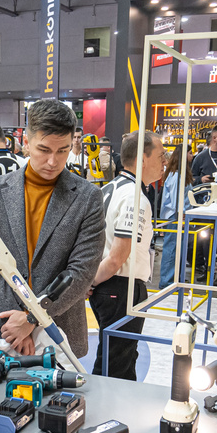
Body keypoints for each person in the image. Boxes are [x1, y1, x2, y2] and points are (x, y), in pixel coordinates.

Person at [0, 100, 104, 357]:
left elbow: (81, 271)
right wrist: (15, 324)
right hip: (6, 332)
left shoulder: (88, 197)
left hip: (61, 335)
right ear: (26, 141)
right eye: (44, 149)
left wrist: (32, 318)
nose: (53, 161)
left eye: (62, 151)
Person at [89, 130, 163, 379]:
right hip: (121, 288)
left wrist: (90, 280)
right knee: (114, 366)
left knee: (123, 357)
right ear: (142, 159)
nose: (164, 162)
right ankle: (102, 403)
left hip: (108, 286)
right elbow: (116, 258)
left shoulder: (108, 189)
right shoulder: (135, 197)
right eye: (160, 156)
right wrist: (90, 282)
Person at [158, 145, 193, 288]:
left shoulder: (177, 174)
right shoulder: (177, 176)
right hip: (175, 217)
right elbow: (176, 200)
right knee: (171, 249)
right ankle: (167, 282)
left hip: (178, 216)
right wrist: (182, 215)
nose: (192, 155)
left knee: (176, 249)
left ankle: (174, 280)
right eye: (190, 153)